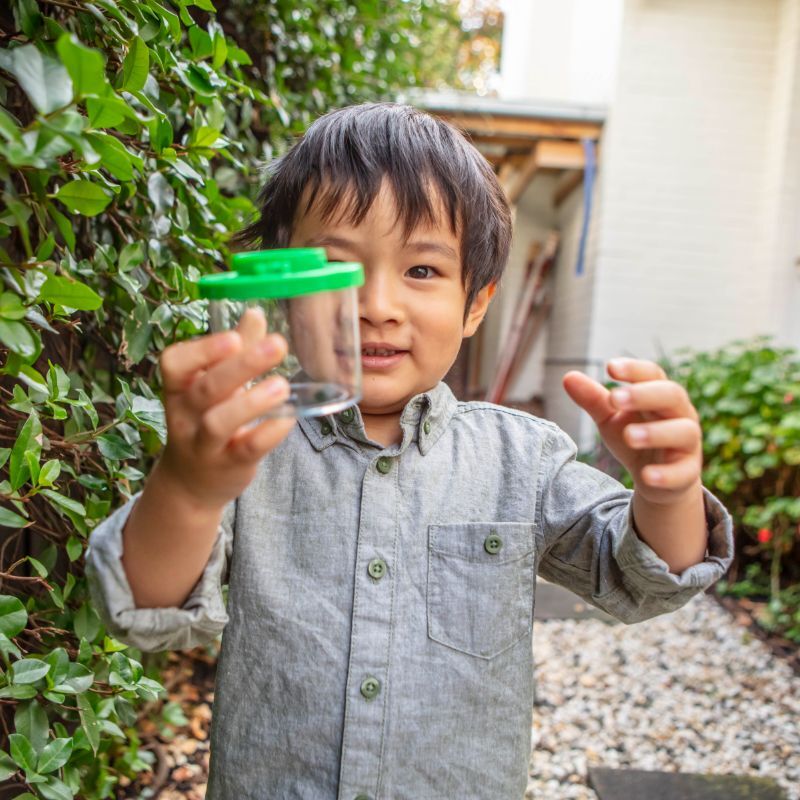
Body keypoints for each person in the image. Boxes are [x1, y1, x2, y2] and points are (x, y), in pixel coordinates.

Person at [85, 102, 734, 799]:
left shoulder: (521, 459)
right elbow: (145, 610)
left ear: (475, 304)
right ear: (281, 287)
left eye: (422, 271)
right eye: (335, 269)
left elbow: (639, 578)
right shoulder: (247, 451)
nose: (376, 303)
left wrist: (667, 495)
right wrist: (188, 488)